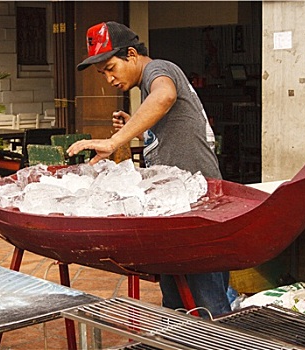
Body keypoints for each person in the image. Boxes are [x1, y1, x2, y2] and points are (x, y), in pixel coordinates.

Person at [68, 21, 231, 318]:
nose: (108, 79)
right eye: (102, 73)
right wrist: (139, 127)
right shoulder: (146, 86)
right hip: (172, 205)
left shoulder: (159, 70)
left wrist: (117, 139)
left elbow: (165, 96)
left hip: (197, 208)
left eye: (110, 68)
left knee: (210, 304)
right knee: (175, 299)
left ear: (131, 53)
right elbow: (171, 132)